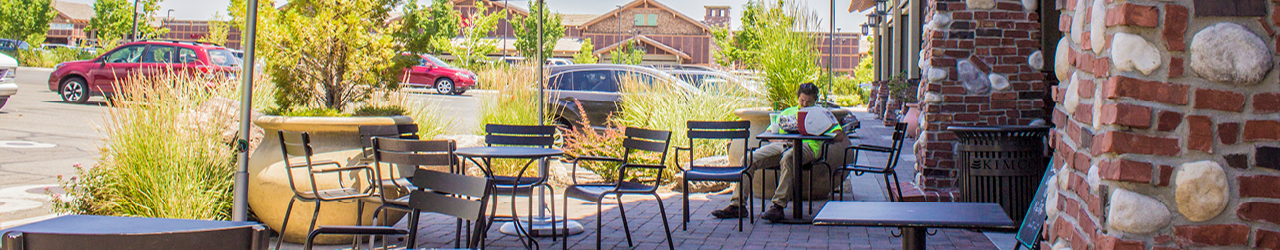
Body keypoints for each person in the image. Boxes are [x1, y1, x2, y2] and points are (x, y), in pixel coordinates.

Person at [710, 83, 846, 222]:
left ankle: (778, 206)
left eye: (808, 102)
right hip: (782, 144)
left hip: (808, 147)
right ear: (798, 98)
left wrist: (820, 133)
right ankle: (737, 205)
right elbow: (769, 132)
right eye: (802, 101)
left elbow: (839, 135)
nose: (804, 104)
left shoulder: (821, 114)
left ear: (814, 100)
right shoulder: (788, 112)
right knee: (749, 159)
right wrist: (780, 139)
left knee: (789, 158)